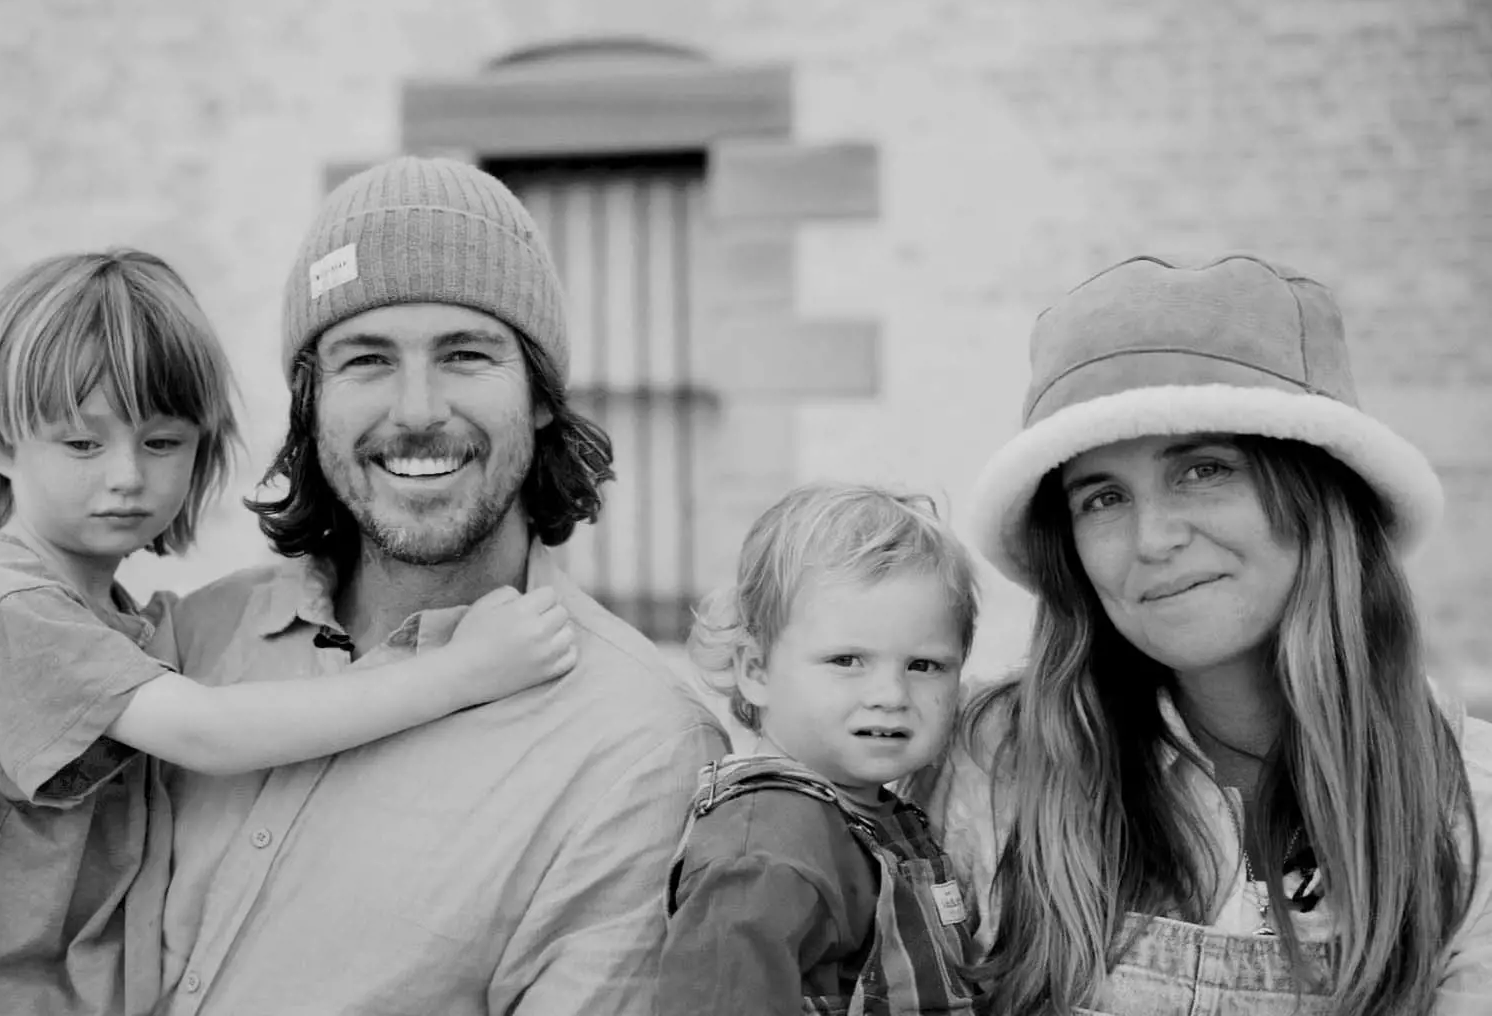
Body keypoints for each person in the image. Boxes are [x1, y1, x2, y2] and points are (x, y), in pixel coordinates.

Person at [0, 249, 579, 1015]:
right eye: (82, 444)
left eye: (162, 442)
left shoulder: (107, 613)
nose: (126, 475)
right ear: (1, 443)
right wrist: (462, 672)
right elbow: (209, 734)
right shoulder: (5, 603)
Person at [132, 156, 728, 1015]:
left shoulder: (637, 752)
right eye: (367, 359)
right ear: (310, 401)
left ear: (540, 399)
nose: (416, 410)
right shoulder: (189, 644)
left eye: (466, 354)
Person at [922, 253, 1492, 1015]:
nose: (1152, 538)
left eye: (1203, 471)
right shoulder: (991, 766)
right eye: (1102, 497)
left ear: (1316, 495)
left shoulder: (1471, 805)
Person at [662, 483, 985, 1015]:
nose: (890, 696)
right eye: (847, 661)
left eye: (923, 665)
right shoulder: (767, 846)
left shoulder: (871, 812)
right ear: (756, 670)